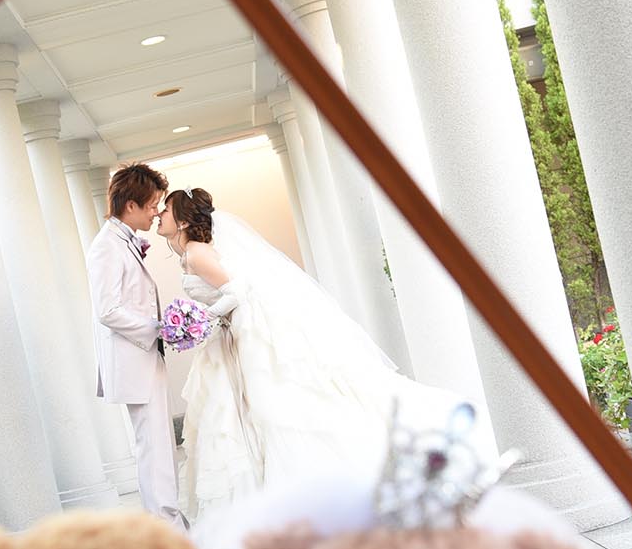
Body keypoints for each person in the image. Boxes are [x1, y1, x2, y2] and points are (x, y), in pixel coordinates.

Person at [157, 186, 459, 522]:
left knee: (271, 411)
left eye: (165, 210)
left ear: (183, 221)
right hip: (229, 339)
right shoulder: (192, 253)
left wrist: (201, 319)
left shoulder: (196, 254)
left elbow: (237, 291)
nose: (159, 215)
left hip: (236, 333)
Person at [86, 162, 185, 526]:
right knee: (153, 449)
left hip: (146, 357)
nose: (156, 212)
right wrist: (158, 328)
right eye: (152, 204)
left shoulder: (122, 241)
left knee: (162, 447)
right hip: (135, 359)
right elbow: (108, 310)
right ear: (131, 205)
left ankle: (170, 523)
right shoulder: (107, 247)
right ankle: (166, 529)